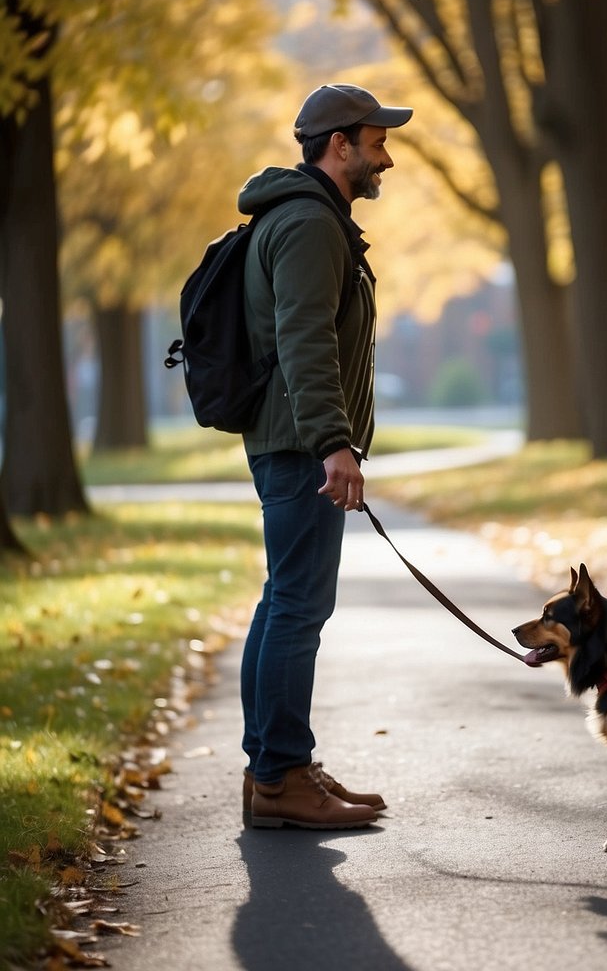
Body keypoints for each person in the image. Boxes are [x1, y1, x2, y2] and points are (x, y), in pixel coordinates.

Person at [236, 83, 413, 830]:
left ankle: (279, 767)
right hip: (302, 444)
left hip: (292, 440)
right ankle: (280, 778)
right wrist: (333, 444)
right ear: (338, 145)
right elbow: (305, 340)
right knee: (299, 607)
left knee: (285, 601)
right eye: (376, 143)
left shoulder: (307, 217)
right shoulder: (309, 224)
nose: (387, 158)